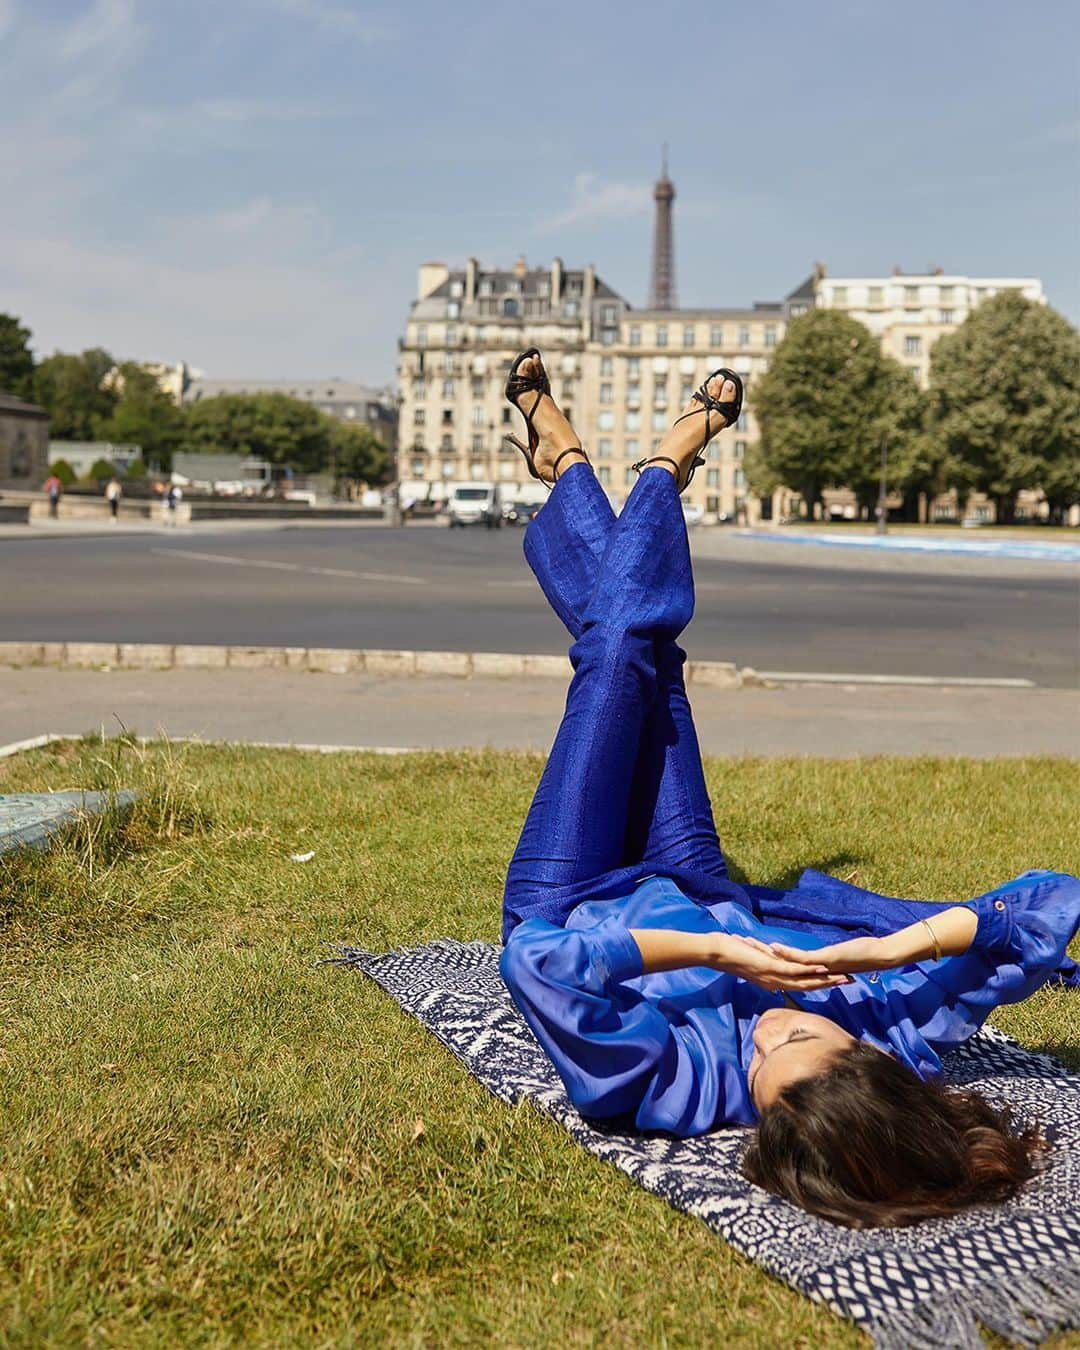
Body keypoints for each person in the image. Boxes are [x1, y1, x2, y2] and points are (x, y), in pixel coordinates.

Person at [497, 348, 1080, 1229]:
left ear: (765, 1124)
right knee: (648, 663)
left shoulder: (680, 1089)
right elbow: (1045, 909)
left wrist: (714, 954)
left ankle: (648, 461)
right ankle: (580, 463)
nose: (774, 1031)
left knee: (618, 653)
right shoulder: (888, 1028)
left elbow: (537, 968)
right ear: (871, 1064)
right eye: (808, 1036)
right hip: (688, 871)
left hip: (565, 891)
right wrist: (891, 954)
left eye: (771, 1071)